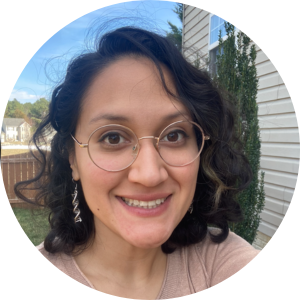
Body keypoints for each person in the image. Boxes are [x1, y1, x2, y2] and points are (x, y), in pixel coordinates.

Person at [15, 26, 259, 299]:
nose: (149, 174)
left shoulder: (223, 263)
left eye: (175, 134)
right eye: (113, 137)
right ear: (72, 157)